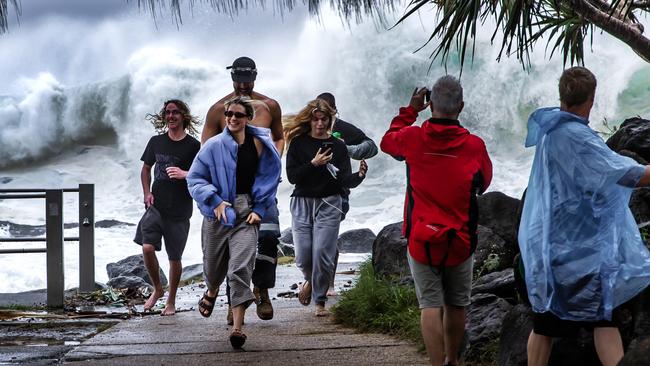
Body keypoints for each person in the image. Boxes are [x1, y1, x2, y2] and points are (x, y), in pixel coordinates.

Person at [518, 66, 650, 366]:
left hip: (550, 245)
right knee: (604, 319)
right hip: (581, 252)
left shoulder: (550, 131)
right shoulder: (577, 136)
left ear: (562, 96)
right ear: (591, 99)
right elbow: (629, 174)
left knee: (545, 325)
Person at [380, 76, 492, 366]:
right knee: (456, 303)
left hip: (421, 238)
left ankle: (435, 362)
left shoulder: (413, 137)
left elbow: (387, 142)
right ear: (461, 106)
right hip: (460, 239)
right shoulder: (473, 145)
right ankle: (453, 360)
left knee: (430, 304)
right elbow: (484, 182)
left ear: (430, 105)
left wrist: (409, 111)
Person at [187, 96, 281, 348]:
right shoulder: (213, 146)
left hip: (246, 212)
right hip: (216, 212)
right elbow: (194, 179)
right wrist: (215, 201)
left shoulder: (260, 144)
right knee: (213, 269)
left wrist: (260, 208)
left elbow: (269, 180)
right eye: (229, 114)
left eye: (238, 115)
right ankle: (211, 291)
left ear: (247, 118)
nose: (232, 118)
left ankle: (238, 328)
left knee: (240, 268)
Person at [202, 56, 283, 322]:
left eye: (249, 79)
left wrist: (274, 161)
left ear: (256, 77)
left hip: (263, 192)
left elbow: (279, 137)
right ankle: (233, 301)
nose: (244, 85)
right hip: (231, 194)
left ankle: (262, 290)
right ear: (232, 78)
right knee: (230, 247)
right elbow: (206, 152)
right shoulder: (218, 111)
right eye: (239, 79)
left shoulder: (269, 106)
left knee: (269, 237)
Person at [284, 99, 368, 316]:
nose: (320, 124)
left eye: (324, 119)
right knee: (303, 257)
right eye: (316, 119)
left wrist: (358, 176)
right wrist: (314, 163)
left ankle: (319, 301)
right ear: (309, 120)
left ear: (330, 120)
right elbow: (293, 177)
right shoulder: (298, 144)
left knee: (323, 252)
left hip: (330, 202)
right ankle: (309, 282)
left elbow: (343, 180)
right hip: (302, 202)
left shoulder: (338, 146)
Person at [134, 99, 201, 316]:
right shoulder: (156, 142)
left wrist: (184, 174)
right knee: (147, 247)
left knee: (174, 258)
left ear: (184, 116)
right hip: (156, 206)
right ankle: (158, 288)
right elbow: (145, 169)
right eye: (168, 113)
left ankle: (171, 301)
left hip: (180, 210)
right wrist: (147, 192)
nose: (171, 116)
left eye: (175, 113)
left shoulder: (193, 146)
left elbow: (202, 174)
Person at [315, 92, 378, 295]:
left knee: (329, 238)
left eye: (326, 111)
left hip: (338, 191)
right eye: (318, 110)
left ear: (334, 110)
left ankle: (329, 284)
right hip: (311, 192)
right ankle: (313, 280)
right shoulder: (310, 128)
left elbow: (371, 147)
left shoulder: (341, 128)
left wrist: (346, 149)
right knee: (312, 240)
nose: (321, 117)